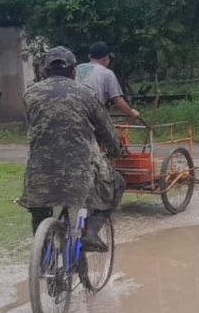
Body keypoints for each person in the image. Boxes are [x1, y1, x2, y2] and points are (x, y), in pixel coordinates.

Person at [19, 46, 127, 252]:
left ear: (44, 72)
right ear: (73, 72)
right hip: (79, 173)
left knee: (39, 213)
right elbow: (107, 132)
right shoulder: (86, 94)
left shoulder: (29, 95)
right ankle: (90, 233)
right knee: (118, 184)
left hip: (38, 174)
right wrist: (116, 151)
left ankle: (42, 261)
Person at [75, 41, 140, 119]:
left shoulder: (76, 69)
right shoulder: (106, 73)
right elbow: (118, 102)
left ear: (89, 57)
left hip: (71, 110)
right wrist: (132, 112)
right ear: (105, 59)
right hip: (90, 114)